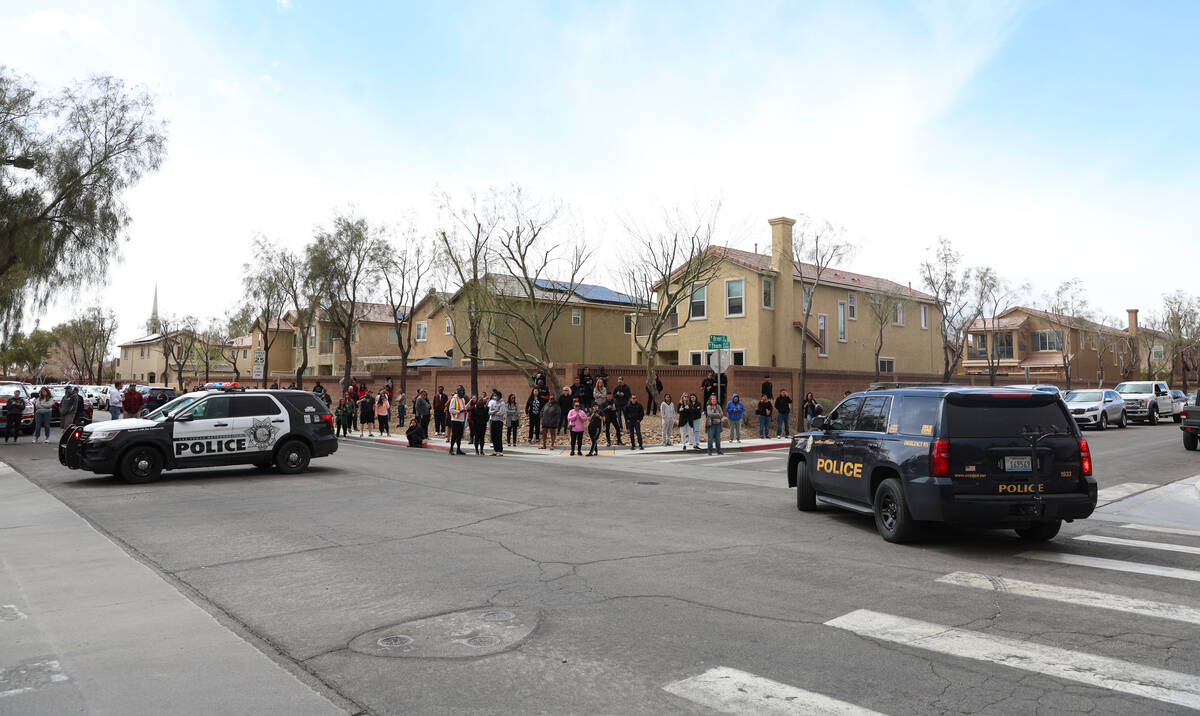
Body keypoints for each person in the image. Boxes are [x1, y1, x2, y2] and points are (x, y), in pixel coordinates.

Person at [448, 386, 468, 455]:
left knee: (459, 436)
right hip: (455, 420)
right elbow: (451, 410)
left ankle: (458, 449)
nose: (463, 395)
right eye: (462, 393)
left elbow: (463, 407)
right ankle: (451, 449)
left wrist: (465, 410)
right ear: (459, 393)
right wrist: (460, 411)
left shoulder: (462, 399)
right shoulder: (454, 399)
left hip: (461, 420)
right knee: (454, 435)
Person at [487, 389, 506, 456]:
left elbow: (501, 413)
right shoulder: (493, 402)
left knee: (498, 436)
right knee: (493, 436)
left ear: (499, 396)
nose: (494, 397)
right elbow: (489, 412)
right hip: (493, 420)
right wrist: (495, 411)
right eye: (494, 395)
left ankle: (500, 450)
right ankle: (495, 450)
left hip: (499, 421)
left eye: (495, 395)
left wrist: (494, 412)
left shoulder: (502, 403)